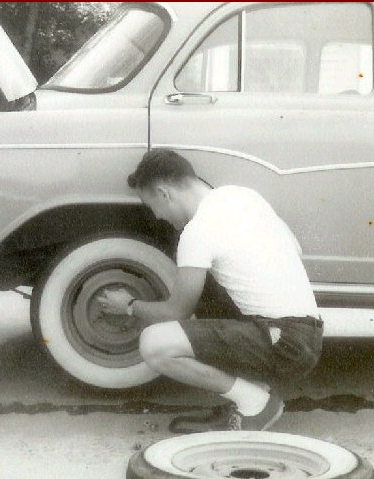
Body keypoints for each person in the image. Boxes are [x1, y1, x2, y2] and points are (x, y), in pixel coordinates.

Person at [97, 148, 323, 431]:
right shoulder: (243, 196)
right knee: (207, 290)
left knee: (154, 344)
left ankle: (256, 404)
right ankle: (244, 399)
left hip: (283, 342)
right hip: (306, 337)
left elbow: (176, 311)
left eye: (151, 204)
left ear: (163, 193)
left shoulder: (197, 231)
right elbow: (295, 249)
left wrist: (129, 305)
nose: (156, 216)